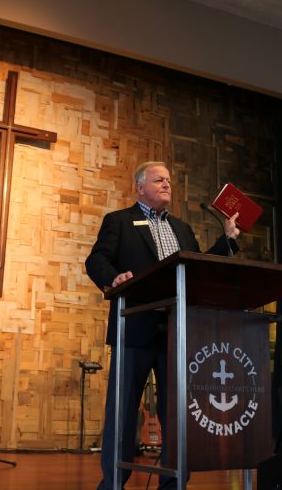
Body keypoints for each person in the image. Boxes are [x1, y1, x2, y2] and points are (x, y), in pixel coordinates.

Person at [85, 161, 240, 490]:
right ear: (140, 187)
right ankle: (115, 482)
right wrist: (113, 277)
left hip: (176, 334)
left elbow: (197, 268)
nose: (167, 184)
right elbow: (96, 259)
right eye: (159, 180)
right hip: (135, 329)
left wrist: (226, 240)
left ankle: (173, 483)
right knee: (123, 412)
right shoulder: (119, 222)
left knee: (176, 415)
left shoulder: (182, 229)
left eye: (169, 179)